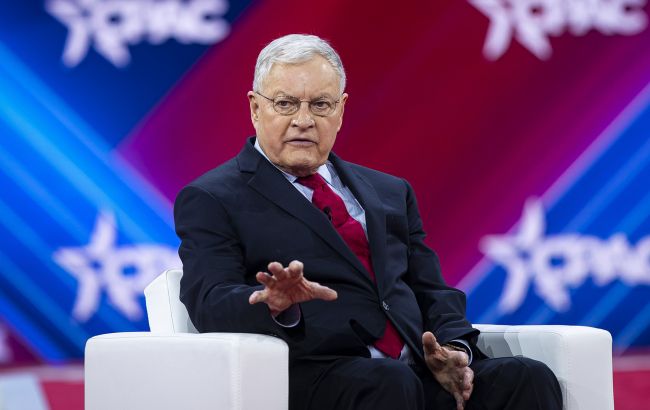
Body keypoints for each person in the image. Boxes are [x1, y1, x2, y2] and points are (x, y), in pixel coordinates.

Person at [174, 34, 562, 410]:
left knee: (527, 378)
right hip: (319, 375)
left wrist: (454, 348)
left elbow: (431, 290)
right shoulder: (213, 197)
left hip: (416, 372)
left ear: (341, 111)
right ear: (256, 108)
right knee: (390, 383)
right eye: (285, 103)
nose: (303, 120)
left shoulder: (390, 191)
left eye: (320, 105)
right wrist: (273, 304)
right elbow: (208, 300)